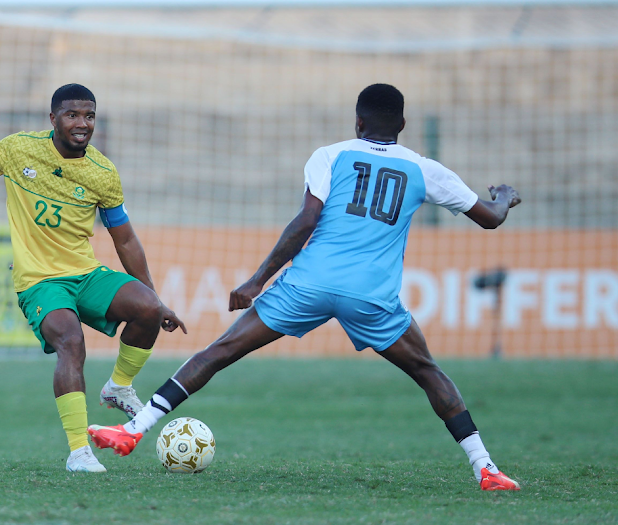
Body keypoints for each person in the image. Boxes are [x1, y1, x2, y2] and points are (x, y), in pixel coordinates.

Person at [88, 84, 522, 491]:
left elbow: (306, 221)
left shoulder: (330, 156)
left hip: (308, 285)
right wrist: (503, 196)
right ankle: (485, 467)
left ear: (357, 122)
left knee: (219, 352)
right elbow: (490, 217)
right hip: (370, 296)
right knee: (428, 371)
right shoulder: (425, 170)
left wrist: (258, 280)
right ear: (403, 126)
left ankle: (132, 430)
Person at [0, 82, 186, 473]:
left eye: (89, 115)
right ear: (53, 119)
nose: (82, 123)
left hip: (84, 274)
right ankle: (78, 453)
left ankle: (119, 386)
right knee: (71, 341)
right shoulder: (19, 149)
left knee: (148, 309)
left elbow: (124, 239)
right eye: (72, 115)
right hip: (39, 281)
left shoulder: (102, 172)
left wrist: (155, 297)